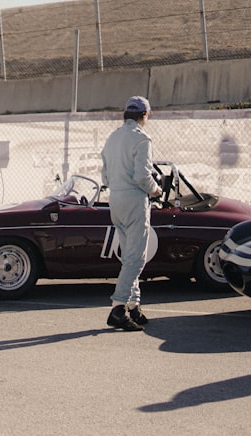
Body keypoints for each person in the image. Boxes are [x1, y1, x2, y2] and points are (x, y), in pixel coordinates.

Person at [101, 95, 162, 332]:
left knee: (129, 255)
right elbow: (141, 177)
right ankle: (118, 308)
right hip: (135, 199)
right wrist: (155, 190)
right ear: (144, 115)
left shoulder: (112, 138)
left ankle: (134, 306)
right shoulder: (142, 139)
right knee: (136, 257)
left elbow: (105, 175)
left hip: (115, 198)